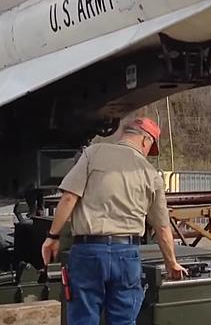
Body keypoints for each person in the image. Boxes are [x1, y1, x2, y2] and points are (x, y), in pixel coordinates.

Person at [41, 117, 187, 325]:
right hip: (126, 256)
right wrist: (171, 263)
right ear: (146, 141)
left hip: (88, 252)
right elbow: (162, 227)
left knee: (83, 319)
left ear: (123, 134)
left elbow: (68, 197)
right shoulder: (150, 173)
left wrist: (52, 237)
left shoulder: (94, 153)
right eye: (150, 148)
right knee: (123, 321)